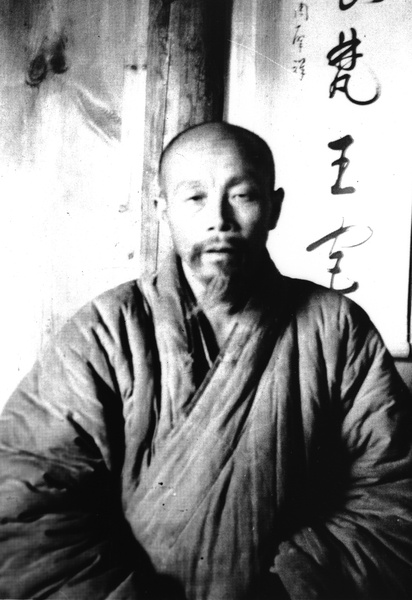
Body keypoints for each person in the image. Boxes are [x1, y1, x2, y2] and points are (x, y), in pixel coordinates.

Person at [1, 121, 412, 600]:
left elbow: (393, 494)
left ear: (274, 208)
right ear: (162, 209)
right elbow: (26, 502)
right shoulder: (106, 330)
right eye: (194, 197)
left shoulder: (335, 327)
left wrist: (292, 588)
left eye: (243, 195)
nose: (219, 219)